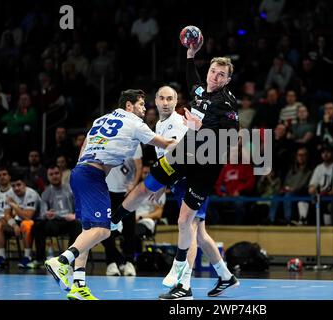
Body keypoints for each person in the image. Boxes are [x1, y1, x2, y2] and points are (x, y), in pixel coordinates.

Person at [111, 42, 240, 300]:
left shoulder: (226, 103)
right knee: (158, 193)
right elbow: (192, 78)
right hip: (185, 154)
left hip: (206, 163)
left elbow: (231, 138)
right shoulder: (200, 91)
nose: (215, 76)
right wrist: (191, 55)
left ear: (228, 79)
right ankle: (114, 219)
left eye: (221, 74)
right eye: (213, 71)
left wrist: (200, 127)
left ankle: (184, 286)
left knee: (188, 225)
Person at [44, 89, 175, 300]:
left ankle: (78, 285)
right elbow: (166, 144)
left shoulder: (100, 120)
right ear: (129, 106)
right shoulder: (134, 122)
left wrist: (82, 172)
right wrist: (193, 144)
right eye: (141, 104)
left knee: (87, 231)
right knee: (103, 230)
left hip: (79, 172)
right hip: (93, 176)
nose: (144, 108)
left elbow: (85, 145)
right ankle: (61, 261)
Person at [153, 85, 240, 297]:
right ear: (155, 101)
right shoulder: (159, 123)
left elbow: (184, 155)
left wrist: (162, 183)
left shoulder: (177, 122)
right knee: (199, 234)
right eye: (161, 98)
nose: (165, 102)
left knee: (189, 229)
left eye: (170, 98)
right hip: (180, 182)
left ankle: (184, 286)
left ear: (176, 101)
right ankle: (226, 276)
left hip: (191, 181)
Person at [103, 142, 143, 277]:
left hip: (127, 193)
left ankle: (129, 262)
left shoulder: (135, 142)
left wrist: (134, 184)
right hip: (108, 191)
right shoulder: (108, 139)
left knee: (129, 229)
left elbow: (139, 166)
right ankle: (111, 263)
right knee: (107, 230)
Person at [34, 165, 81, 266]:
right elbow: (42, 213)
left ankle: (69, 259)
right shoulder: (46, 193)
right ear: (48, 177)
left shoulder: (71, 189)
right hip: (54, 222)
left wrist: (75, 215)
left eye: (56, 173)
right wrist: (47, 214)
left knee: (78, 225)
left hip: (69, 221)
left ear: (61, 174)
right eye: (51, 174)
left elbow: (80, 208)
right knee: (38, 226)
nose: (54, 176)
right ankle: (39, 259)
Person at [5, 174, 41, 268]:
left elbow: (28, 217)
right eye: (13, 186)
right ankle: (2, 256)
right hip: (19, 220)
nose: (16, 188)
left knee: (26, 224)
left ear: (24, 184)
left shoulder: (31, 194)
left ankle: (27, 256)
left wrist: (14, 205)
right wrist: (14, 225)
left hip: (38, 220)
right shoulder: (10, 194)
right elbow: (6, 215)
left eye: (18, 184)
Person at [0, 167, 15, 268]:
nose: (2, 177)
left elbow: (15, 212)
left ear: (9, 177)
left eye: (4, 174)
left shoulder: (14, 191)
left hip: (10, 222)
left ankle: (2, 257)